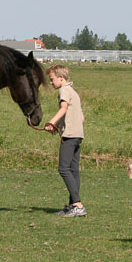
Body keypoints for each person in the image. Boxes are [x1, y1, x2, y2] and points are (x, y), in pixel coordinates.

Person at [44, 64, 86, 217]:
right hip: (77, 135)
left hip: (69, 136)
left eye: (52, 79)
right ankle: (72, 205)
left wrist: (51, 123)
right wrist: (60, 127)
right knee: (73, 170)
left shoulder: (64, 90)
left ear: (61, 78)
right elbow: (81, 117)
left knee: (63, 168)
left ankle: (77, 204)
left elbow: (64, 109)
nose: (51, 82)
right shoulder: (74, 92)